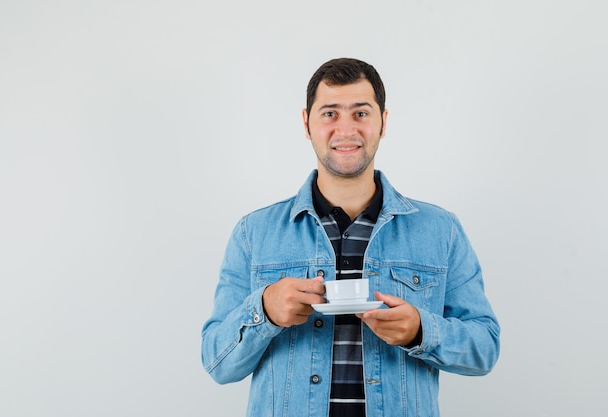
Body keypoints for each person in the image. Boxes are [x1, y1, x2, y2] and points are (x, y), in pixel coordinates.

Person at [201, 57, 500, 417]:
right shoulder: (254, 232)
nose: (345, 130)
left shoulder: (440, 230)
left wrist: (422, 331)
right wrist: (264, 309)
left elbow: (485, 349)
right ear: (306, 124)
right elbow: (217, 363)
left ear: (383, 122)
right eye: (330, 114)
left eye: (361, 113)